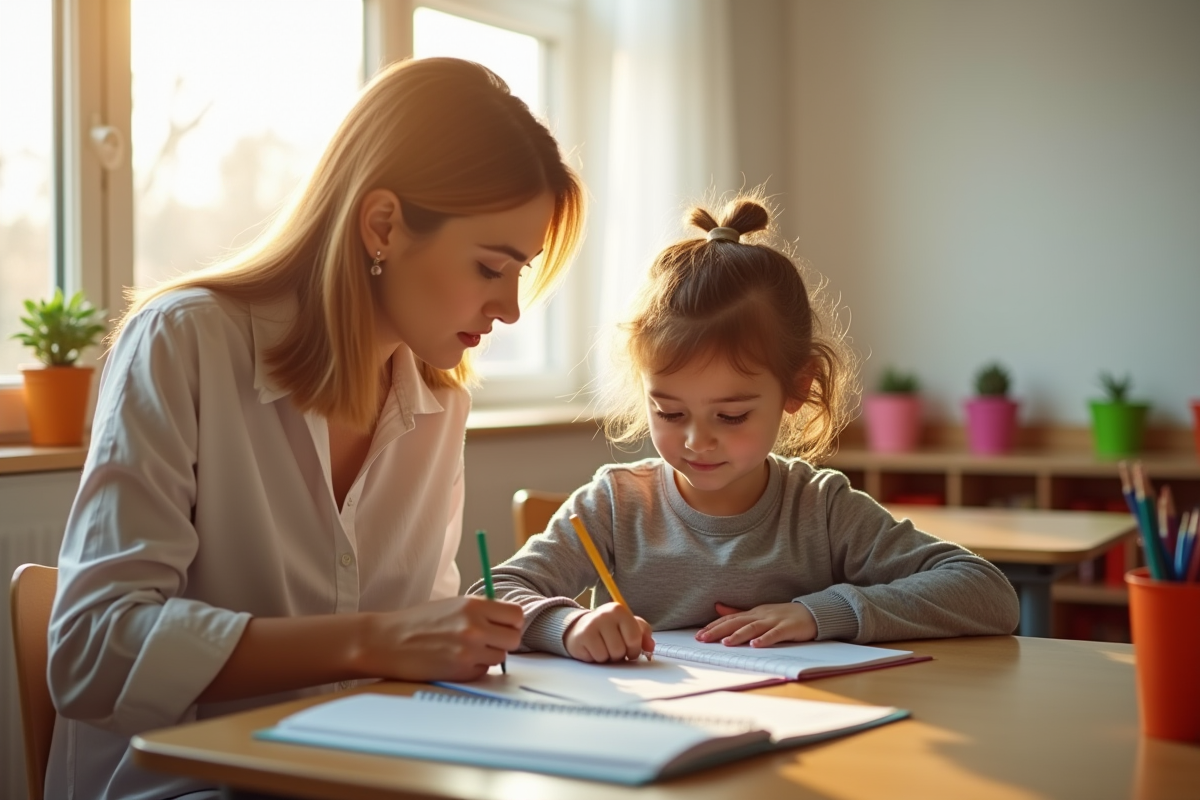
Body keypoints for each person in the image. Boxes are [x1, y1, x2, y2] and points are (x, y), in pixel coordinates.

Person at [45, 57, 584, 799]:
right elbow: (92, 653)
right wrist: (371, 640)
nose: (512, 308)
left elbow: (419, 651)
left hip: (365, 777)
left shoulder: (438, 402)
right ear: (384, 225)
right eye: (492, 268)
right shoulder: (184, 343)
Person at [475, 195, 1019, 664]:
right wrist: (566, 626)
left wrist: (822, 612)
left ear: (796, 387)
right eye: (668, 412)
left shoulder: (821, 510)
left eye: (730, 416)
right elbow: (492, 595)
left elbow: (988, 594)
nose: (696, 441)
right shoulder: (615, 505)